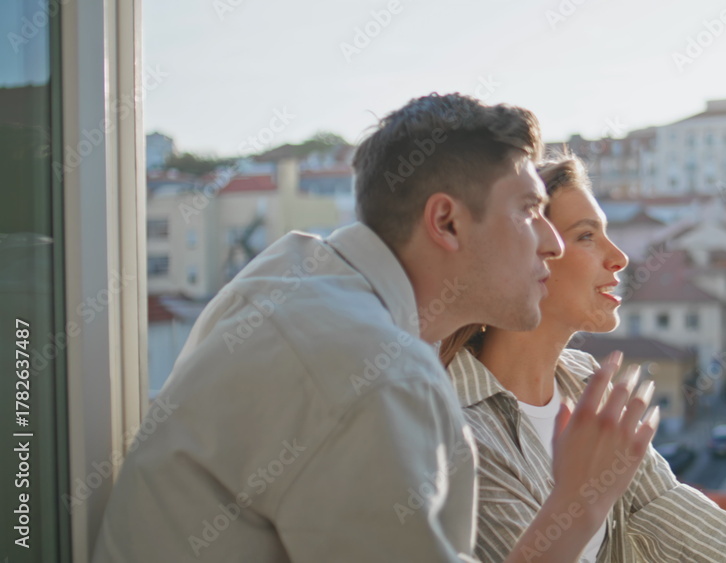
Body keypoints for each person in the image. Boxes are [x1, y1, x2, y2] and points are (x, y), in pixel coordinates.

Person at [93, 95, 658, 562]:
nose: (551, 241)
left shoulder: (289, 271)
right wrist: (578, 502)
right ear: (446, 221)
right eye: (528, 210)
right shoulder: (375, 375)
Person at [441, 153, 726, 562]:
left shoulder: (588, 386)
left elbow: (672, 513)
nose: (619, 257)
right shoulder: (454, 426)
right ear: (527, 251)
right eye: (586, 236)